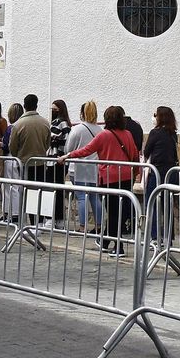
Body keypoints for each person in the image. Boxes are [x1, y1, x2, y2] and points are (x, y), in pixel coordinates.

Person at [60, 105, 141, 256]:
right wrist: (135, 173)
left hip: (110, 178)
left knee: (112, 212)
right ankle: (105, 241)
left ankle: (118, 246)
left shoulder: (105, 135)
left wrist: (68, 155)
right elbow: (135, 155)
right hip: (126, 177)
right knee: (119, 212)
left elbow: (86, 150)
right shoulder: (128, 134)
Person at [9, 95, 52, 226]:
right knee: (40, 191)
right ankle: (40, 221)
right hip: (40, 162)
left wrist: (20, 155)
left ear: (25, 106)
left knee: (28, 193)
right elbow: (47, 143)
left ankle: (32, 221)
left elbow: (13, 147)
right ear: (37, 105)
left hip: (24, 163)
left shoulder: (18, 125)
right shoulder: (45, 123)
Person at [64, 101, 105, 235]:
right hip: (94, 166)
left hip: (79, 166)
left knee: (81, 197)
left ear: (82, 113)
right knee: (94, 196)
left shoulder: (77, 129)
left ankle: (82, 226)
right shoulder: (100, 130)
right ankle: (99, 225)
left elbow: (68, 149)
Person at [143, 106, 180, 242]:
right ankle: (168, 236)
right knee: (168, 205)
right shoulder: (172, 133)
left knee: (151, 203)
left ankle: (154, 235)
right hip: (170, 172)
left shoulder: (155, 132)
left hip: (156, 172)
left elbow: (146, 151)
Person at [45, 100, 71, 227]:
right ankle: (57, 219)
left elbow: (65, 141)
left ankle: (54, 218)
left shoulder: (62, 123)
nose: (53, 112)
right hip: (53, 159)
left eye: (55, 109)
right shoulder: (58, 122)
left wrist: (54, 140)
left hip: (56, 160)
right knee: (56, 189)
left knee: (55, 189)